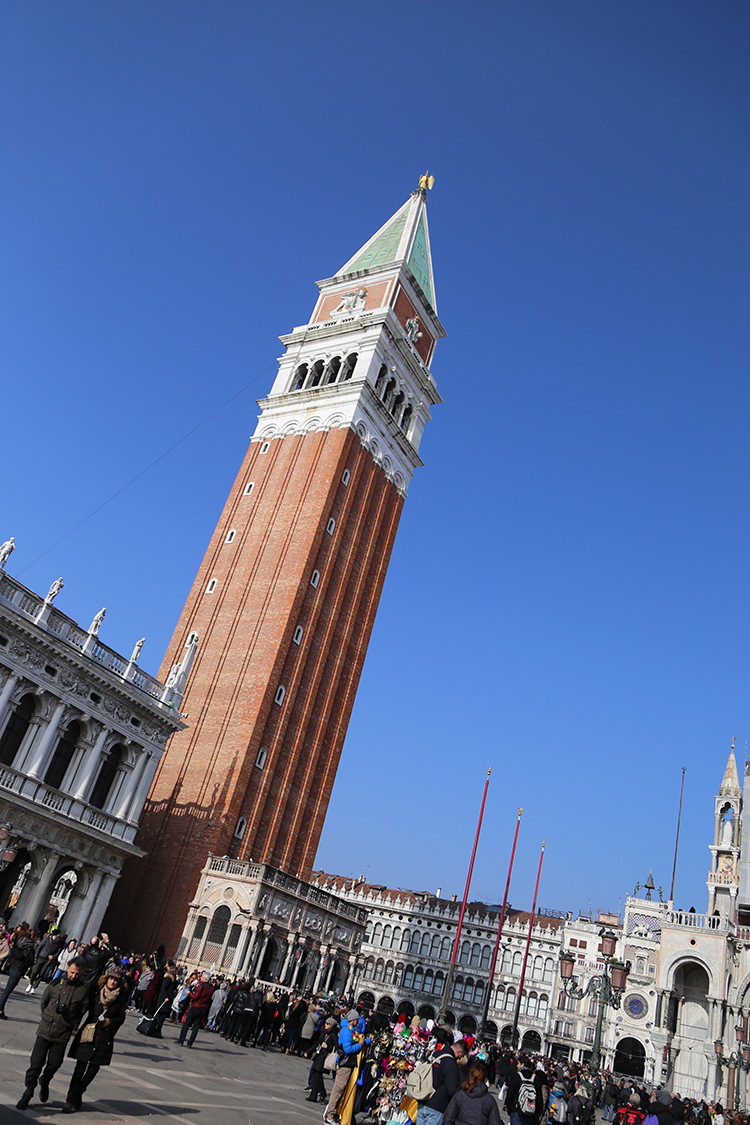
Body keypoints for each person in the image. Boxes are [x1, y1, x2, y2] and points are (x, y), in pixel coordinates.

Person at [15, 958, 88, 1111]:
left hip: (62, 1034)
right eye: (72, 973)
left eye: (77, 974)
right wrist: (48, 1016)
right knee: (35, 1064)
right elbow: (44, 1002)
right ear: (67, 969)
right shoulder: (55, 984)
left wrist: (70, 1019)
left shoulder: (82, 990)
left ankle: (45, 1080)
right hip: (45, 1030)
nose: (74, 976)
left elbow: (82, 1010)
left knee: (54, 1064)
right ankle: (28, 1093)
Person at [63, 967, 128, 1113]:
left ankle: (79, 1092)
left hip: (104, 1037)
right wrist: (74, 1022)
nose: (112, 981)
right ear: (106, 978)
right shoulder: (96, 991)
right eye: (111, 978)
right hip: (89, 1032)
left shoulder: (121, 997)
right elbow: (84, 1008)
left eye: (116, 980)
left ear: (119, 982)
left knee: (93, 1070)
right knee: (79, 1069)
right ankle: (70, 1100)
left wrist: (109, 1022)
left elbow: (121, 1018)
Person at [324, 1008, 371, 1125]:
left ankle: (332, 1112)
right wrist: (360, 1045)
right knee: (338, 1089)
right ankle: (330, 1116)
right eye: (357, 1020)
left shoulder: (351, 1030)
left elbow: (355, 1042)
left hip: (349, 1064)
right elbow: (348, 1049)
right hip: (345, 1064)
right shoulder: (347, 1031)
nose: (358, 1022)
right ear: (353, 1020)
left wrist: (367, 1041)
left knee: (341, 1089)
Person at [417, 1030, 468, 1125]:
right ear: (459, 1052)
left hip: (422, 1101)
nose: (460, 1058)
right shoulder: (451, 1063)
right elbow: (452, 1089)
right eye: (461, 1056)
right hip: (436, 1107)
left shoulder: (434, 1054)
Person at [444, 1060, 502, 1125]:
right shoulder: (490, 1100)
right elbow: (495, 1122)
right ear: (485, 1080)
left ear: (470, 1076)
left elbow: (448, 1118)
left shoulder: (460, 1095)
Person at [0, 924, 36, 1018]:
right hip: (19, 969)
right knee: (7, 990)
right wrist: (32, 962)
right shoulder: (30, 947)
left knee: (7, 989)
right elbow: (28, 960)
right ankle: (0, 1010)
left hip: (13, 966)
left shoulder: (20, 942)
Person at [178, 972, 214, 1048]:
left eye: (202, 977)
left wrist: (189, 993)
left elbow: (195, 997)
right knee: (196, 1027)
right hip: (203, 1008)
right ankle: (190, 1043)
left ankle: (181, 1040)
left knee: (187, 1023)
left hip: (196, 1006)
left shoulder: (201, 986)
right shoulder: (210, 989)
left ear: (205, 979)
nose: (200, 978)